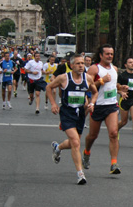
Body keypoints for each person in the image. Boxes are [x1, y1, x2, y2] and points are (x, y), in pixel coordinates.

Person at [48, 54, 98, 185]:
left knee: (73, 143)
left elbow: (95, 92)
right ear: (71, 66)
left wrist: (92, 103)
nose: (81, 65)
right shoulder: (63, 78)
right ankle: (80, 174)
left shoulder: (87, 78)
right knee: (76, 142)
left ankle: (57, 148)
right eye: (78, 63)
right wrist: (53, 103)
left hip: (80, 113)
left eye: (82, 63)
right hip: (67, 113)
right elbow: (49, 87)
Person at [82, 44, 122, 175]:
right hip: (97, 105)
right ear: (101, 55)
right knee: (93, 136)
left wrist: (121, 89)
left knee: (114, 133)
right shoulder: (94, 69)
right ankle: (87, 152)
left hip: (111, 105)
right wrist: (101, 81)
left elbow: (113, 86)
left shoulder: (115, 68)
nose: (110, 56)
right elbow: (86, 87)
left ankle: (114, 163)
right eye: (107, 54)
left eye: (111, 54)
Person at [117, 57, 133, 148]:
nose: (132, 64)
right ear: (125, 65)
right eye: (130, 62)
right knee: (124, 121)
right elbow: (116, 88)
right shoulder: (122, 76)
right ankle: (116, 130)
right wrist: (121, 92)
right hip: (124, 100)